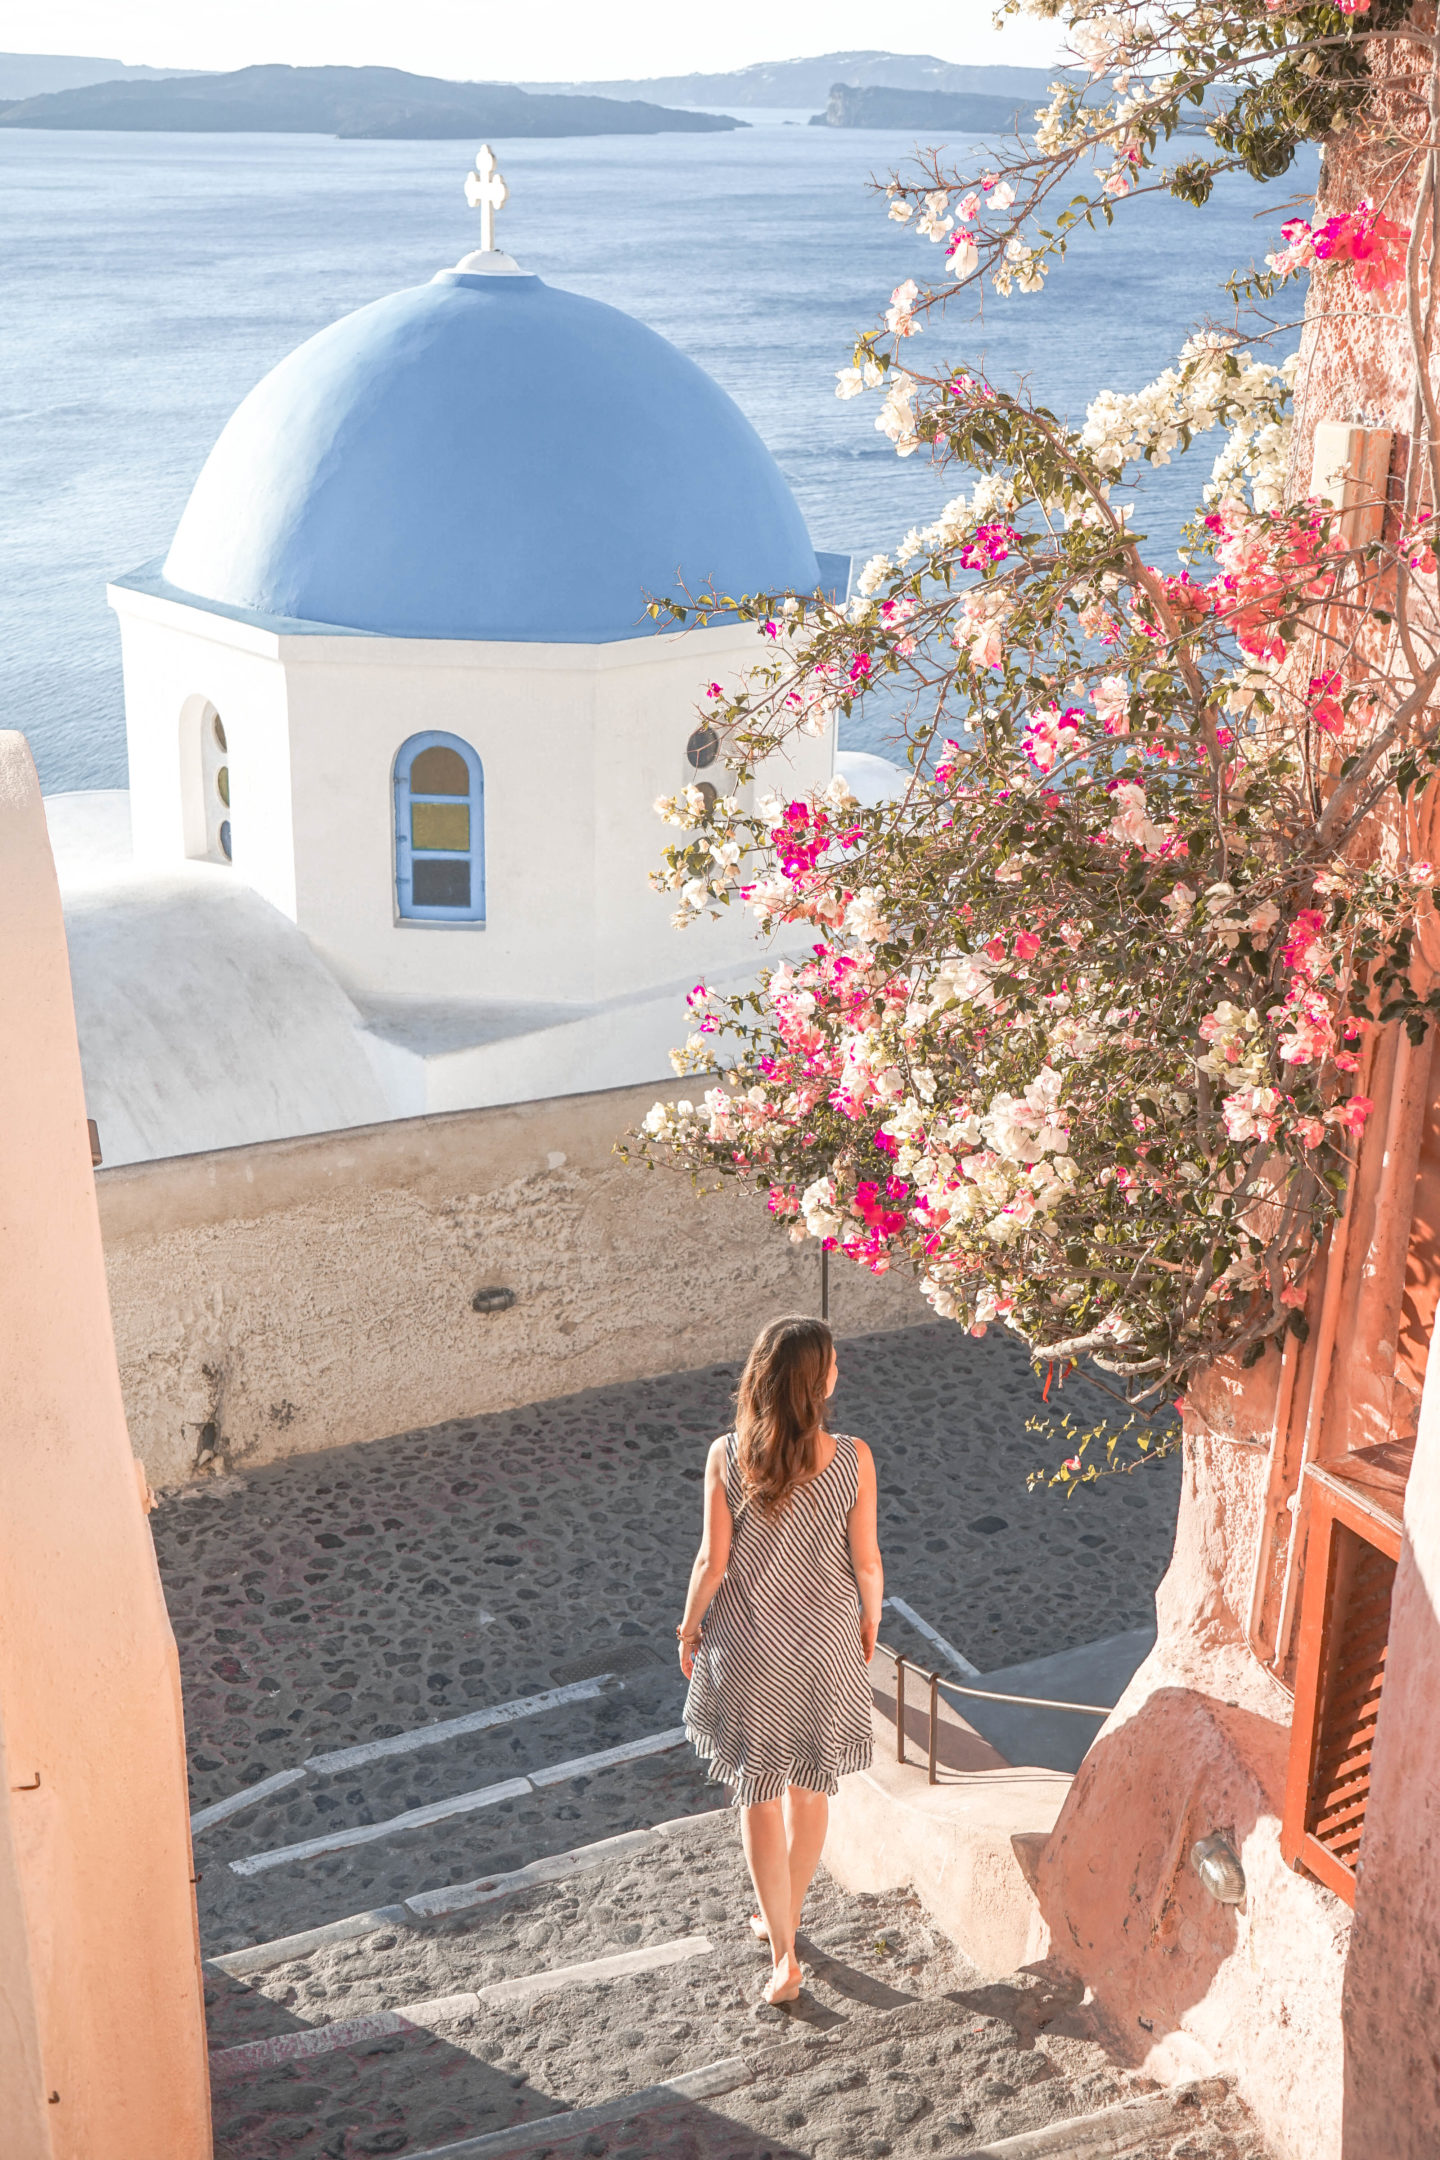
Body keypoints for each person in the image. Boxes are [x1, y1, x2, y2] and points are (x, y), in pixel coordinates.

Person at [677, 1314, 883, 2005]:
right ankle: (783, 1921)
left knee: (759, 1794)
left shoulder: (726, 1455)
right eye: (832, 1362)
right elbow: (868, 1561)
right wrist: (870, 1618)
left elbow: (713, 1561)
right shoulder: (854, 1457)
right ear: (817, 1380)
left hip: (750, 1645)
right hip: (824, 1642)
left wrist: (687, 1627)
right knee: (811, 1789)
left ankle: (786, 1952)